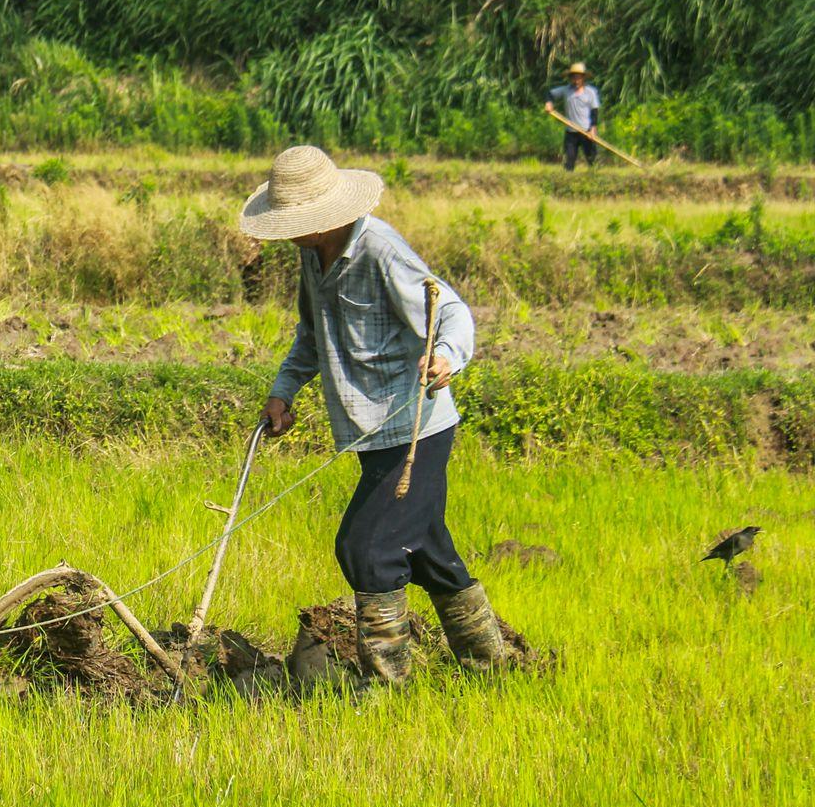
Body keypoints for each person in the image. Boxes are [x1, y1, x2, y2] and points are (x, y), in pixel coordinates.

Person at [241, 145, 508, 684]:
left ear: (326, 216)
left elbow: (451, 309)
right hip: (369, 433)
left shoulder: (381, 250)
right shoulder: (311, 258)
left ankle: (389, 685)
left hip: (414, 431)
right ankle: (491, 668)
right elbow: (312, 334)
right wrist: (284, 391)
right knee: (429, 551)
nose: (289, 232)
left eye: (296, 221)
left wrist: (447, 355)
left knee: (365, 546)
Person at [546, 61, 601, 170]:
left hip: (586, 131)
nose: (576, 81)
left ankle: (596, 178)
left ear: (583, 78)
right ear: (570, 78)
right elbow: (549, 94)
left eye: (579, 78)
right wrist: (549, 103)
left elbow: (594, 111)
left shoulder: (591, 92)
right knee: (569, 161)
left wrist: (593, 128)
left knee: (592, 160)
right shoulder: (566, 90)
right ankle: (568, 180)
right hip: (571, 131)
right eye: (574, 78)